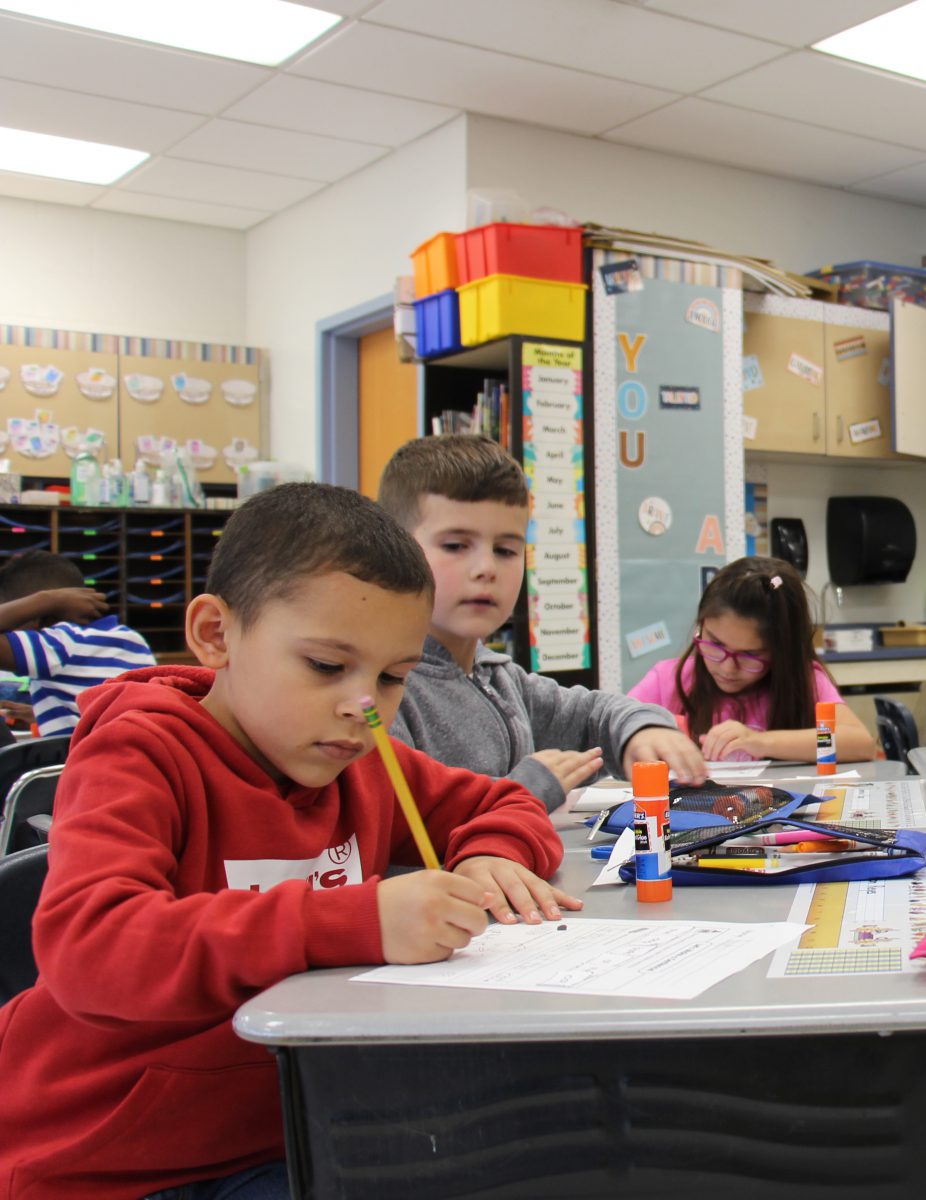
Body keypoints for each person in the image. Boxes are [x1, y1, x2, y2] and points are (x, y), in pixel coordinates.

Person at [0, 483, 573, 1200]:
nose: (364, 707)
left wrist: (492, 851)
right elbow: (92, 948)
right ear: (215, 635)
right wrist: (355, 918)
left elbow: (499, 802)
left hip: (301, 1122)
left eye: (392, 677)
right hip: (115, 1161)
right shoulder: (141, 755)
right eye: (327, 667)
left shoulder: (359, 759)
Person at [377, 435, 704, 806]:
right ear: (397, 550)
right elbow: (405, 831)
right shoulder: (385, 689)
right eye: (455, 546)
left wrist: (639, 731)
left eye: (506, 550)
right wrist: (528, 790)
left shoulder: (498, 677)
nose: (486, 569)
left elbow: (593, 715)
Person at [626, 557, 878, 762]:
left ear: (782, 652)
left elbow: (860, 744)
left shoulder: (804, 682)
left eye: (750, 655)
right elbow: (614, 732)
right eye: (714, 644)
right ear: (701, 626)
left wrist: (759, 742)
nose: (727, 667)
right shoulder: (669, 680)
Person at [0, 549, 155, 735]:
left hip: (79, 762)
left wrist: (46, 600)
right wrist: (43, 714)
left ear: (33, 617)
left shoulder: (59, 643)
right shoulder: (132, 639)